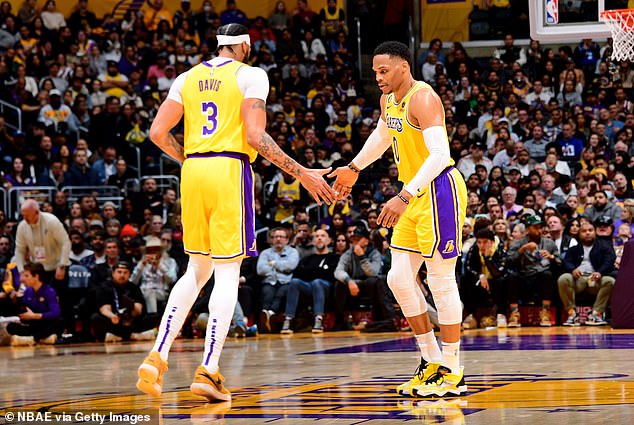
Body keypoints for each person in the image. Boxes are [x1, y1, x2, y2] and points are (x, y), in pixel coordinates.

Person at [136, 23, 335, 402]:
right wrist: (302, 173)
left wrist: (191, 159)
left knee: (196, 269)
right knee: (227, 274)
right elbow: (255, 137)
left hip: (192, 171)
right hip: (229, 170)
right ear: (244, 45)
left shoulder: (186, 77)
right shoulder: (251, 75)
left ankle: (157, 357)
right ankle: (208, 370)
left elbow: (157, 132)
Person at [329, 41, 468, 397]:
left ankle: (453, 367)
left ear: (404, 67)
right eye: (375, 72)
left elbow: (440, 155)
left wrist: (404, 196)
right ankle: (431, 360)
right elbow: (382, 135)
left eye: (384, 71)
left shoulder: (423, 98)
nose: (378, 77)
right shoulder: (388, 100)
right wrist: (354, 167)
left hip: (438, 190)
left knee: (439, 279)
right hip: (413, 193)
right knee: (399, 279)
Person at [558, 221, 616, 326]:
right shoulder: (573, 249)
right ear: (579, 234)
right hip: (578, 279)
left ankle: (596, 314)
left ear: (595, 232)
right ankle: (572, 314)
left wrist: (599, 272)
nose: (587, 233)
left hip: (595, 279)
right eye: (584, 231)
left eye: (590, 230)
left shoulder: (605, 247)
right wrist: (573, 269)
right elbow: (566, 262)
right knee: (564, 278)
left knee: (610, 281)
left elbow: (609, 261)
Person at [281, 228, 338, 334]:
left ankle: (318, 319)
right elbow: (297, 274)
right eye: (317, 236)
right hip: (309, 287)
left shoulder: (334, 258)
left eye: (322, 236)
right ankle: (288, 319)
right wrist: (319, 271)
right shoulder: (307, 259)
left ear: (329, 240)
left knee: (317, 282)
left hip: (326, 289)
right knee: (295, 282)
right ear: (313, 241)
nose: (319, 238)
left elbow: (331, 275)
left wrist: (311, 272)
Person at [14, 200, 70, 284]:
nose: (25, 218)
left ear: (37, 212)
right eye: (23, 215)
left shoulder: (51, 221)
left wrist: (62, 265)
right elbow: (19, 250)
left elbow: (65, 242)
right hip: (37, 269)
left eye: (27, 215)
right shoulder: (22, 226)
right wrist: (21, 271)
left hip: (56, 266)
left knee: (58, 296)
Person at [6, 262, 62, 346]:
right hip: (34, 325)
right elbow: (25, 312)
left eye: (26, 276)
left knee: (59, 323)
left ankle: (32, 339)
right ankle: (42, 338)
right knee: (10, 326)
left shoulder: (49, 291)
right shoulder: (27, 291)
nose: (22, 279)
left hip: (46, 323)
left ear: (36, 276)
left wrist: (35, 316)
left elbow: (55, 313)